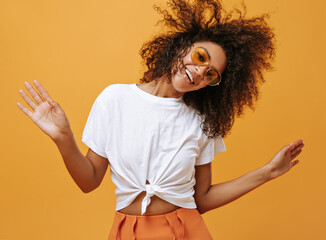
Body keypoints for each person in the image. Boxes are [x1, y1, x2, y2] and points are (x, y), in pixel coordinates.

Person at [17, 0, 305, 239]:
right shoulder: (114, 99)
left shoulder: (200, 121)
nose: (199, 72)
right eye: (200, 56)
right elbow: (89, 181)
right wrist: (63, 138)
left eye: (211, 75)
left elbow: (201, 199)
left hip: (185, 230)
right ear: (181, 45)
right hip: (127, 231)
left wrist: (268, 172)